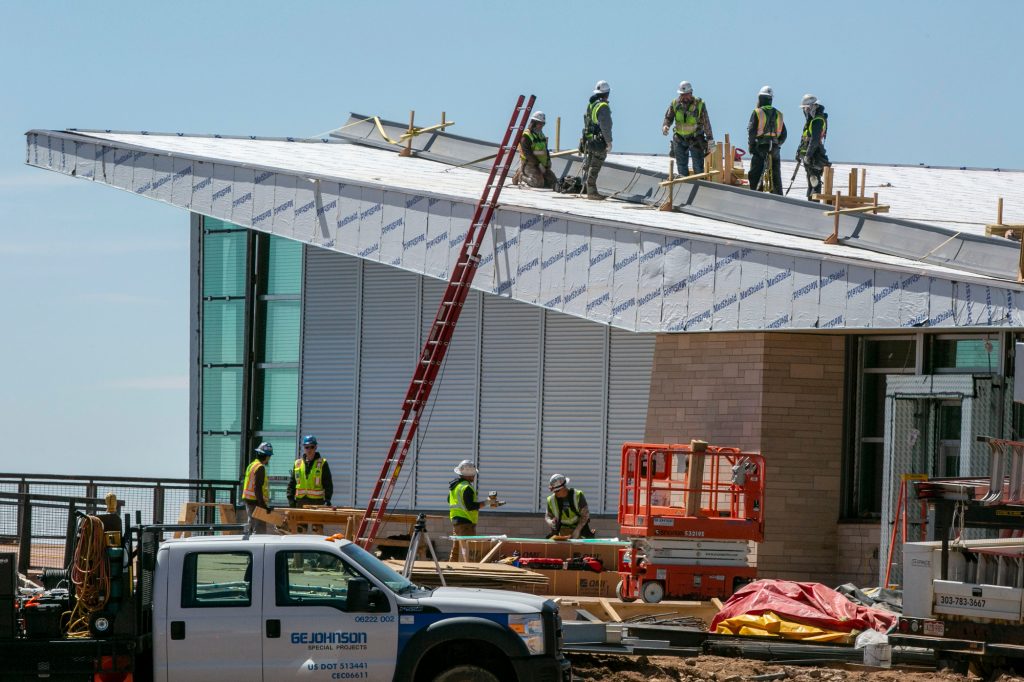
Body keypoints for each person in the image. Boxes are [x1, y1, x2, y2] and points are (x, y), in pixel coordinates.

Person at [661, 80, 715, 177]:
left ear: (691, 93)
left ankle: (701, 187)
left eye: (686, 94)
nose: (684, 97)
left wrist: (710, 142)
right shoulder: (675, 104)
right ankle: (684, 188)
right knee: (681, 167)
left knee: (698, 167)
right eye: (682, 94)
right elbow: (668, 117)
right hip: (679, 139)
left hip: (696, 139)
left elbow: (706, 123)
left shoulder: (699, 104)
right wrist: (666, 126)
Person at [747, 85, 787, 194]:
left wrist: (751, 148)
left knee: (755, 175)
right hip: (774, 149)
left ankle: (756, 196)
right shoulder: (779, 114)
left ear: (760, 98)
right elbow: (784, 135)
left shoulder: (757, 112)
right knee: (775, 177)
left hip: (760, 148)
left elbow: (751, 132)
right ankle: (778, 199)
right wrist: (777, 144)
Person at [580, 80, 613, 200]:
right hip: (599, 142)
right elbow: (605, 126)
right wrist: (608, 142)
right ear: (607, 93)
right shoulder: (603, 107)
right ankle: (592, 192)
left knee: (588, 165)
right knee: (595, 166)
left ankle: (584, 188)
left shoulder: (591, 104)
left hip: (589, 140)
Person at [796, 93, 830, 201]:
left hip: (815, 156)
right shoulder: (811, 121)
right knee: (810, 181)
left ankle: (814, 204)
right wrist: (799, 153)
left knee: (814, 181)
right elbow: (805, 139)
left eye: (806, 108)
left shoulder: (817, 120)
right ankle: (810, 201)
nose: (805, 111)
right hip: (809, 156)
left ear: (812, 107)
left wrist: (808, 155)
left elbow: (814, 140)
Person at [287, 434, 334, 508]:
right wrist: (291, 500)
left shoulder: (322, 463)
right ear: (304, 448)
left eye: (312, 447)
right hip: (300, 503)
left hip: (317, 503)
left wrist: (327, 500)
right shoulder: (297, 464)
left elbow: (328, 484)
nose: (309, 450)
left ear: (315, 447)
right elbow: (292, 484)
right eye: (307, 447)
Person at [448, 459, 482, 561]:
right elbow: (470, 506)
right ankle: (469, 568)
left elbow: (448, 500)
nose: (474, 476)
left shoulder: (455, 486)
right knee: (468, 548)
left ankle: (451, 568)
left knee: (456, 547)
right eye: (473, 474)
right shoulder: (466, 487)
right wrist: (487, 502)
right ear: (469, 475)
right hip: (466, 523)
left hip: (456, 521)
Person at [544, 474, 595, 539]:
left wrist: (577, 531)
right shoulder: (551, 500)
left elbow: (585, 515)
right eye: (553, 491)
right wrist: (551, 522)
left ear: (564, 487)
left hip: (579, 527)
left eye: (557, 491)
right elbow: (547, 516)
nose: (555, 493)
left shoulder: (577, 495)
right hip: (562, 530)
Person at [519, 111, 557, 189]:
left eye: (543, 124)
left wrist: (548, 161)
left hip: (542, 165)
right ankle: (521, 175)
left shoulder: (541, 135)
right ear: (534, 122)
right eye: (540, 123)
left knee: (553, 182)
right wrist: (538, 164)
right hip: (530, 164)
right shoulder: (526, 136)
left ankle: (539, 176)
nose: (542, 125)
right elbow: (527, 153)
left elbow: (545, 150)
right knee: (538, 183)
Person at [242, 442, 274, 534]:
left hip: (249, 501)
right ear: (266, 456)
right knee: (259, 531)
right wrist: (264, 506)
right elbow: (257, 488)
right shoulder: (260, 467)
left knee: (251, 527)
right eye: (269, 457)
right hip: (256, 503)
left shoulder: (251, 465)